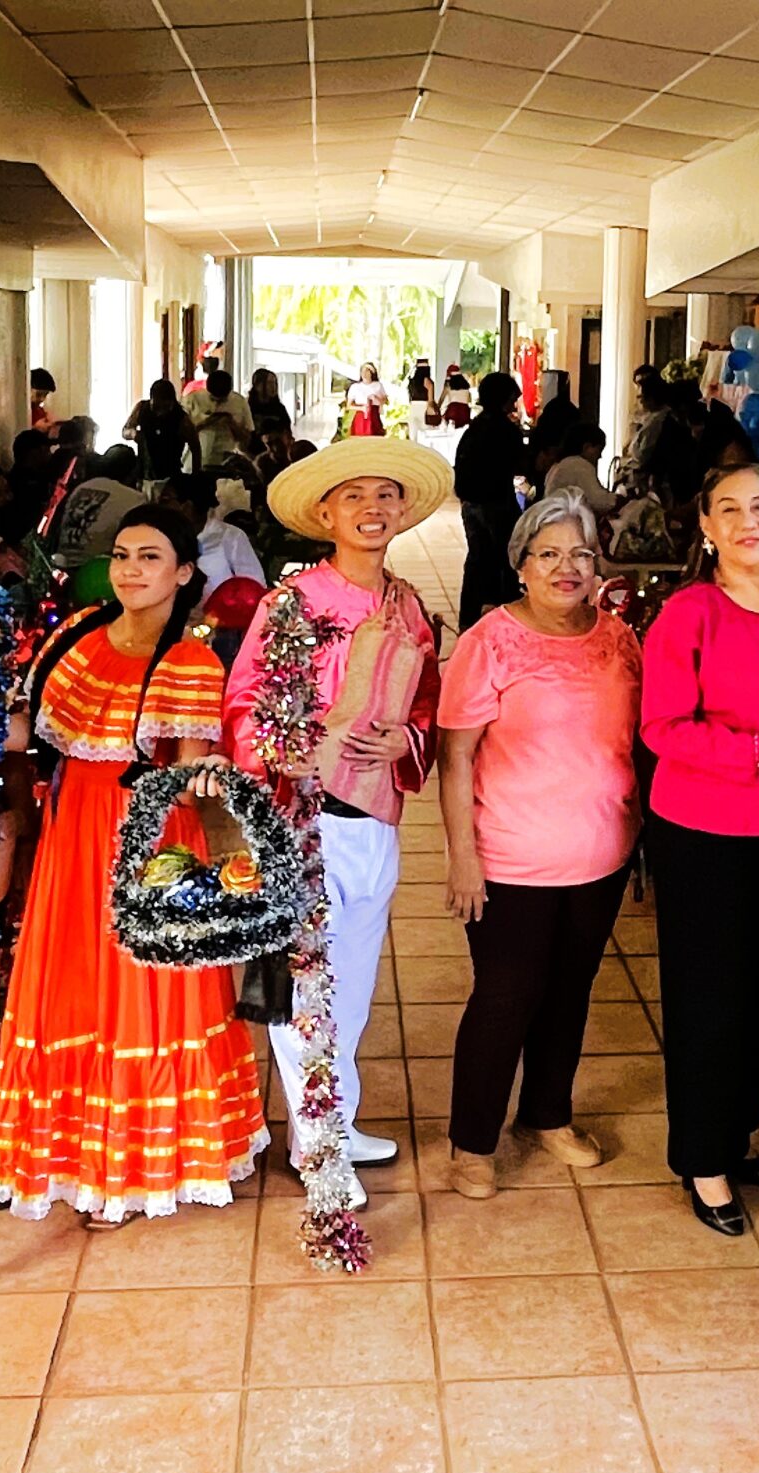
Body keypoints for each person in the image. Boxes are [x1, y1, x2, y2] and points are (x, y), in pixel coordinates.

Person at [0, 504, 268, 1226]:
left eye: (150, 557)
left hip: (150, 837)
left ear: (183, 572)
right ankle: (75, 1157)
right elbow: (27, 730)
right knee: (73, 984)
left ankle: (136, 1168)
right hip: (72, 831)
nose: (130, 570)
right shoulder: (78, 633)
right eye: (121, 555)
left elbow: (189, 777)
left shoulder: (191, 660)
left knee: (142, 994)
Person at [224, 437, 450, 1187]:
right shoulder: (291, 604)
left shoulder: (409, 607)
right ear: (325, 515)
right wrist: (280, 750)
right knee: (305, 991)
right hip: (305, 822)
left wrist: (405, 739)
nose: (371, 509)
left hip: (375, 819)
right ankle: (320, 1153)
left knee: (350, 989)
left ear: (403, 512)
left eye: (385, 495)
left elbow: (427, 703)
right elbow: (245, 701)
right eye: (353, 496)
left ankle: (332, 1127)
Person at [640, 463, 759, 1236]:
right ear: (707, 527)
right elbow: (662, 728)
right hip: (706, 830)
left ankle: (735, 1130)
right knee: (708, 995)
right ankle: (702, 1157)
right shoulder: (690, 612)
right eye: (730, 509)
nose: (749, 521)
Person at [437, 493, 640, 1200]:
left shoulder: (619, 637)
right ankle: (472, 1141)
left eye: (580, 554)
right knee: (505, 997)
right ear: (520, 565)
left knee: (569, 993)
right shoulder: (489, 641)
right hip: (511, 858)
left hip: (602, 853)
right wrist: (463, 857)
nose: (566, 567)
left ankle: (548, 1113)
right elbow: (455, 756)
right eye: (548, 554)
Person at [455, 370, 528, 629]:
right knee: (503, 561)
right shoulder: (504, 430)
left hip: (471, 503)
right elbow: (522, 463)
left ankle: (470, 620)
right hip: (496, 502)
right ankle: (503, 620)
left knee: (477, 561)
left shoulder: (475, 428)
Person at [158, 471, 265, 589]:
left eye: (165, 500)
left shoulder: (230, 537)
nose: (159, 506)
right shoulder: (160, 538)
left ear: (188, 506)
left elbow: (254, 586)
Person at [123, 379, 193, 484]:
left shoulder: (181, 418)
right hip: (144, 472)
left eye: (165, 407)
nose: (160, 412)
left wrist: (195, 476)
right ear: (151, 399)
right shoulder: (141, 408)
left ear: (172, 402)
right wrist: (133, 433)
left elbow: (195, 447)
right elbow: (125, 431)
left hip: (171, 476)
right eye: (156, 407)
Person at [185, 368, 253, 470]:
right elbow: (182, 433)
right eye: (213, 398)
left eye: (223, 399)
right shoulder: (193, 399)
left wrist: (231, 423)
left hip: (226, 461)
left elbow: (246, 439)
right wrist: (209, 421)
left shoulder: (239, 402)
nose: (218, 402)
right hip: (196, 461)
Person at [540, 424, 612, 515]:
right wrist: (618, 499)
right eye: (599, 450)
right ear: (586, 447)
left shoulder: (559, 465)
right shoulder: (579, 465)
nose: (600, 456)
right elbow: (598, 501)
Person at [248, 366, 292, 445]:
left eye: (275, 383)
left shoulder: (279, 409)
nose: (273, 387)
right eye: (269, 383)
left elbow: (287, 431)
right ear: (258, 386)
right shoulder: (248, 407)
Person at [344, 362, 388, 439]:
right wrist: (361, 408)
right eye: (362, 371)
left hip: (374, 415)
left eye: (367, 371)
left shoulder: (378, 385)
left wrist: (376, 398)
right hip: (360, 416)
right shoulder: (355, 387)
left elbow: (385, 401)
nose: (364, 373)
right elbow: (348, 405)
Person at [28, 366, 57, 432]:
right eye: (38, 394)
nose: (42, 399)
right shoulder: (18, 411)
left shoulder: (40, 411)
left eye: (45, 395)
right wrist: (34, 428)